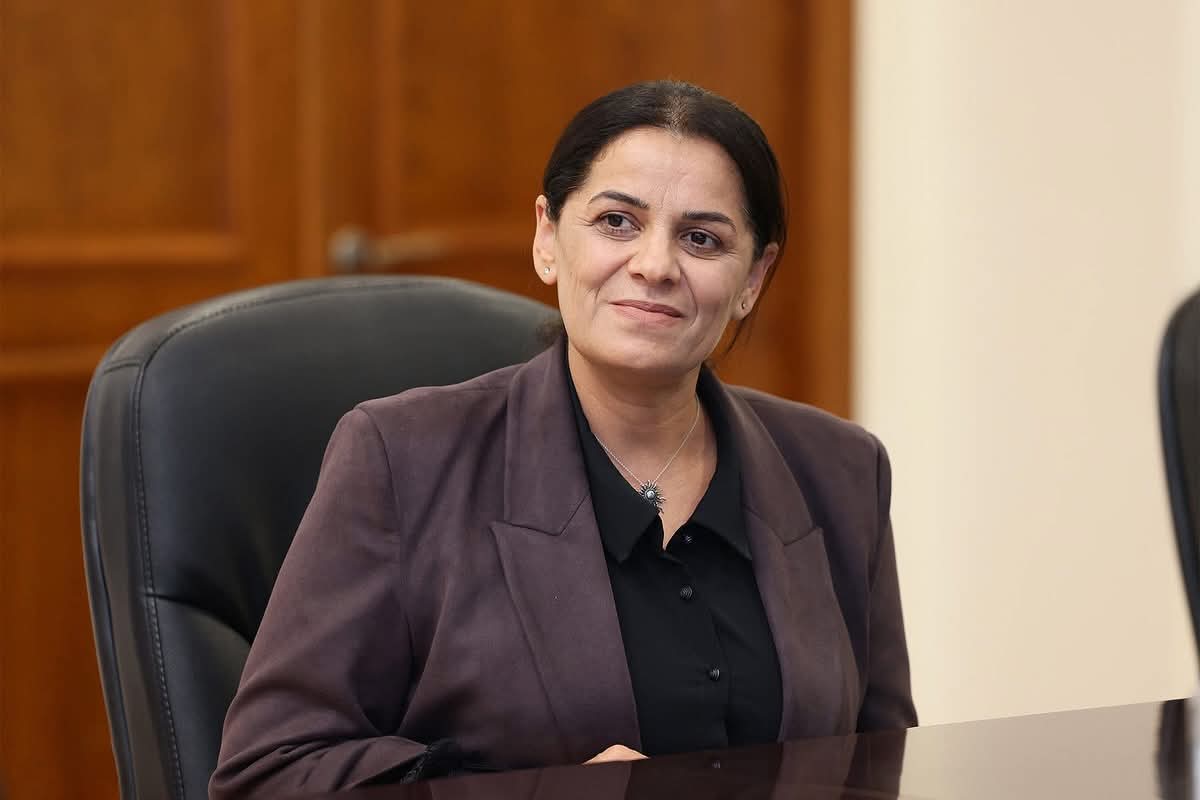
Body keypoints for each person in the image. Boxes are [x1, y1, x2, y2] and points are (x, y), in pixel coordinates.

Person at [209, 80, 916, 799]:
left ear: (753, 278)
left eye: (701, 239)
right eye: (616, 222)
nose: (655, 265)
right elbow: (270, 772)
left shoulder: (841, 471)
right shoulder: (400, 458)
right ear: (547, 238)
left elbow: (881, 767)